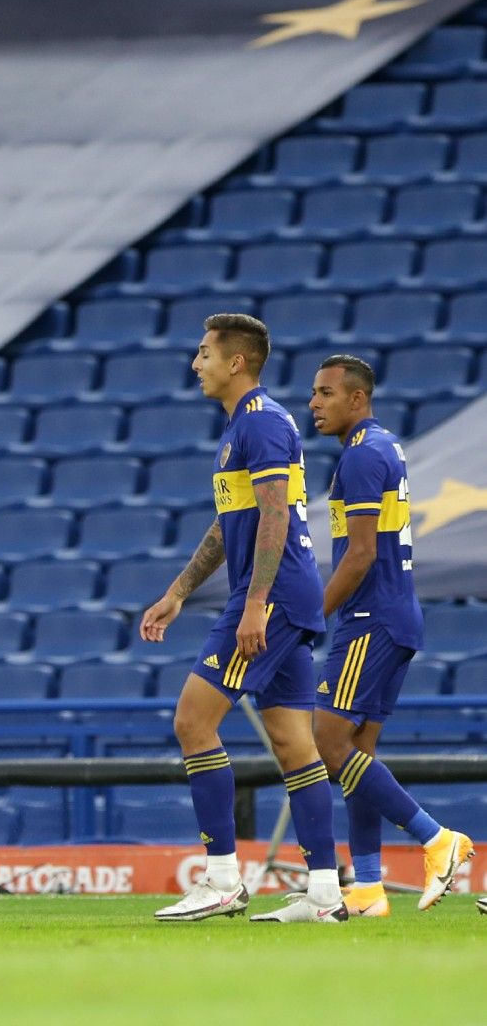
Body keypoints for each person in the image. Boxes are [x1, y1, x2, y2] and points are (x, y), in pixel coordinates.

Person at [140, 314, 345, 923]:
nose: (195, 364)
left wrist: (255, 604)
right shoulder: (245, 427)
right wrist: (179, 591)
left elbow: (276, 516)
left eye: (204, 354)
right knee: (291, 742)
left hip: (271, 597)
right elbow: (231, 526)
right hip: (285, 595)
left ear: (237, 362)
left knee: (192, 720)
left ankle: (223, 877)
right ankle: (327, 892)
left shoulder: (259, 423)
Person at [307, 354, 471, 916]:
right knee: (358, 752)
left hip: (369, 619)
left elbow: (357, 556)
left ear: (357, 399)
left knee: (328, 746)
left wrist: (313, 615)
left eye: (326, 393)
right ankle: (371, 887)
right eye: (313, 393)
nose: (314, 403)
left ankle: (436, 839)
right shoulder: (385, 447)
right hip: (397, 615)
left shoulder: (360, 458)